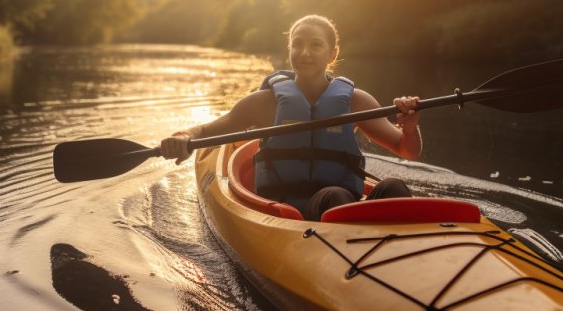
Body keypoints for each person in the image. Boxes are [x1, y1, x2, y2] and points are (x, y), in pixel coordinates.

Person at [159, 14, 421, 221]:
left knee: (394, 188)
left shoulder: (356, 101)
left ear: (333, 54)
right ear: (289, 48)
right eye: (297, 44)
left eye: (316, 45)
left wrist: (410, 129)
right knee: (336, 196)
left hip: (344, 208)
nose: (305, 53)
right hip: (286, 209)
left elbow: (407, 150)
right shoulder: (264, 103)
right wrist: (183, 137)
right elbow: (206, 132)